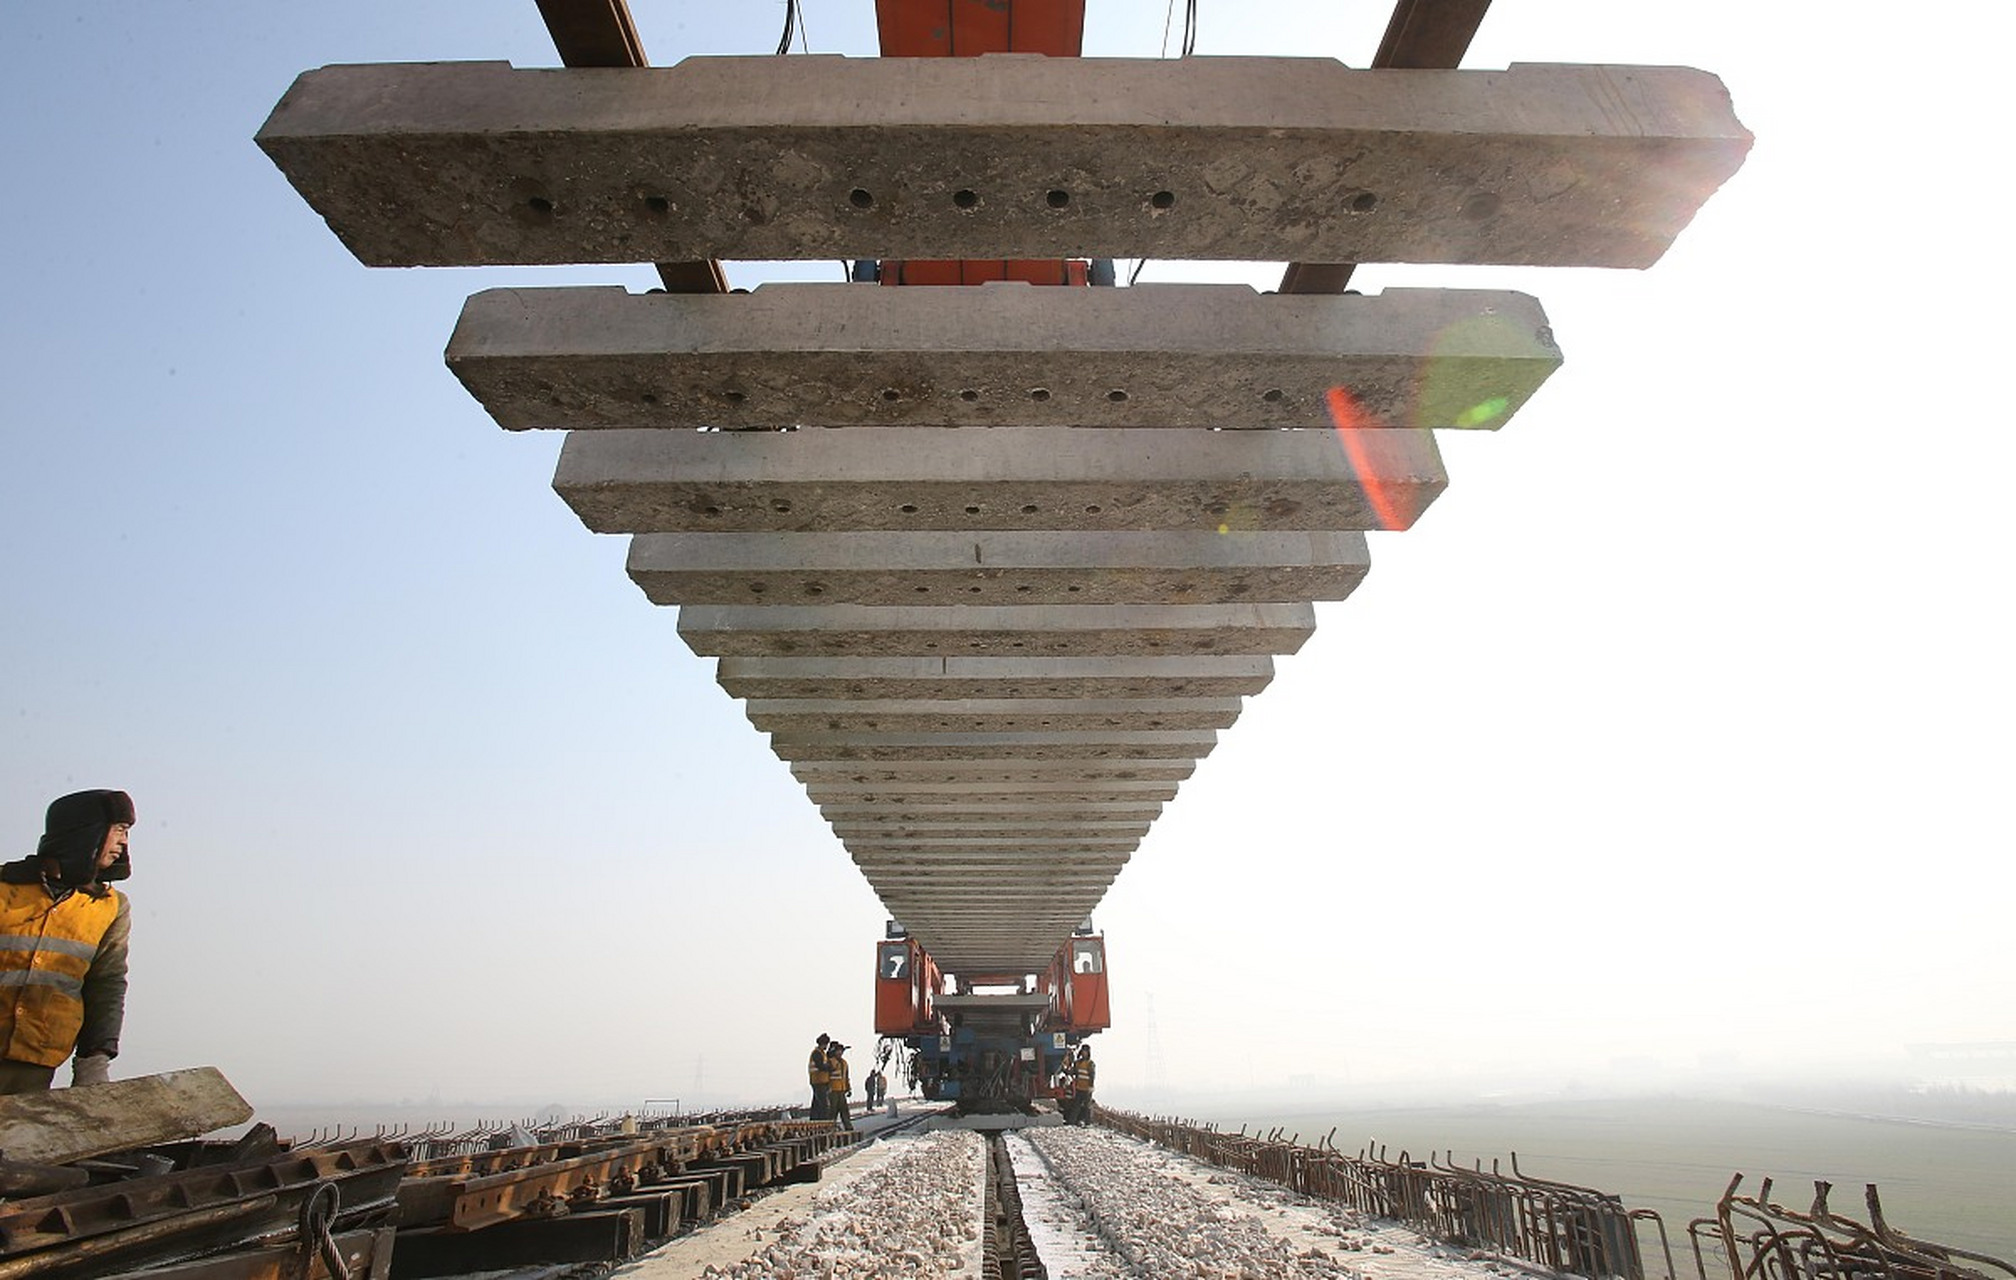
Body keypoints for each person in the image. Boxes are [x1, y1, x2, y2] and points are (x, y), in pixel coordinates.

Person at [0, 790, 135, 1095]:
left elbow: (106, 985)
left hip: (34, 1063)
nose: (124, 843)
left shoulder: (110, 908)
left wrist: (94, 1060)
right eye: (119, 830)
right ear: (87, 832)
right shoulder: (4, 887)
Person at [826, 1042, 854, 1131]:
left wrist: (848, 1088)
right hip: (833, 1090)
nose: (840, 1053)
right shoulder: (831, 1061)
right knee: (832, 1111)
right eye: (838, 1051)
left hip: (842, 1090)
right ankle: (831, 1127)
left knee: (844, 1110)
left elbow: (846, 1077)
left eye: (841, 1051)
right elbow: (827, 1076)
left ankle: (848, 1126)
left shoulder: (844, 1063)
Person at [807, 1033, 832, 1120]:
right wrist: (830, 1067)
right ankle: (823, 1120)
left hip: (821, 1081)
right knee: (823, 1104)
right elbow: (821, 1066)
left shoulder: (822, 1053)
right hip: (818, 1081)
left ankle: (814, 1119)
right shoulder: (817, 1053)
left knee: (816, 1104)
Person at [1069, 1044, 1096, 1125]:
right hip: (1079, 1088)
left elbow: (1092, 1076)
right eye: (1083, 1051)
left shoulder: (1090, 1064)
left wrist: (1091, 1087)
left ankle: (1088, 1122)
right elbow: (1073, 1072)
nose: (1084, 1053)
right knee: (1076, 1106)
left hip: (1087, 1089)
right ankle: (1072, 1122)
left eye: (1086, 1052)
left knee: (1087, 1107)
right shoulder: (1077, 1063)